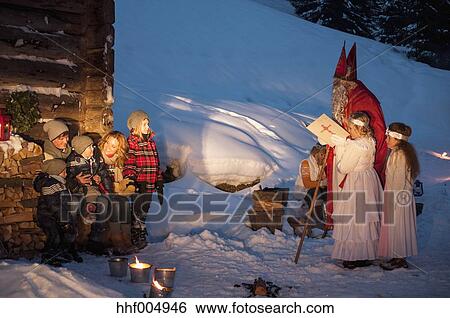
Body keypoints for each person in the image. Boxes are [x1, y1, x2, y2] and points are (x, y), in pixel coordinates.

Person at [326, 43, 387, 228]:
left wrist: (347, 143)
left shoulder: (364, 99)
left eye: (339, 84)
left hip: (357, 164)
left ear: (347, 82)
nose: (336, 88)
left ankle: (357, 245)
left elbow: (375, 133)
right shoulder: (344, 97)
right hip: (345, 154)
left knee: (356, 209)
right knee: (349, 206)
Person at [330, 112, 383, 269]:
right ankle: (365, 253)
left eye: (351, 128)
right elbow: (359, 148)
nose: (349, 130)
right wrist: (346, 143)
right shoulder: (370, 141)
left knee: (354, 217)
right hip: (369, 179)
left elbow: (344, 167)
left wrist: (340, 147)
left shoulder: (355, 145)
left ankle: (353, 256)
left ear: (359, 128)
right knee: (364, 218)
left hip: (357, 182)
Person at [378, 123, 420, 270]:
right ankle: (396, 256)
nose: (386, 139)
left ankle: (400, 258)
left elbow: (399, 181)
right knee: (395, 228)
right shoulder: (397, 152)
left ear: (397, 138)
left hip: (398, 197)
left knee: (399, 227)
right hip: (395, 195)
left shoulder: (400, 155)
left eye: (389, 137)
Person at [123, 110, 164, 249]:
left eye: (148, 123)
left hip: (151, 182)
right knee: (137, 208)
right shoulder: (132, 143)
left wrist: (159, 181)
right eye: (144, 124)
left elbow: (155, 163)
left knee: (145, 208)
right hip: (140, 183)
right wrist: (131, 180)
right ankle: (134, 232)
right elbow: (129, 163)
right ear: (135, 127)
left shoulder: (151, 142)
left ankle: (141, 229)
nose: (147, 127)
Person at [66, 135, 112, 253]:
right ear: (81, 149)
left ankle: (96, 240)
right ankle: (71, 242)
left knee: (102, 203)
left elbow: (103, 173)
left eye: (92, 146)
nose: (93, 149)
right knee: (73, 206)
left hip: (92, 189)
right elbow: (67, 179)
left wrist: (107, 189)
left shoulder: (96, 158)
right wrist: (76, 181)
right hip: (77, 189)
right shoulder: (73, 162)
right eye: (89, 147)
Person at [34, 159, 82, 267]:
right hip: (47, 215)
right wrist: (63, 220)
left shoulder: (61, 182)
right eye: (63, 171)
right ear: (56, 172)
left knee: (70, 230)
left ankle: (66, 251)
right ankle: (49, 255)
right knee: (54, 235)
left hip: (60, 213)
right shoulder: (50, 185)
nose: (66, 173)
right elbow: (54, 205)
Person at [97, 131, 136, 255]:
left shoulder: (118, 160)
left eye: (113, 146)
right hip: (100, 191)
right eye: (107, 143)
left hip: (113, 191)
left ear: (119, 149)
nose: (108, 147)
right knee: (115, 204)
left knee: (124, 202)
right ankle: (116, 239)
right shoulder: (97, 157)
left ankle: (126, 238)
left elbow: (121, 179)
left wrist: (126, 185)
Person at [291, 144, 327, 234]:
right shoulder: (305, 163)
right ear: (316, 153)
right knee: (316, 191)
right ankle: (315, 219)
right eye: (322, 155)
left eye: (325, 155)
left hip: (315, 189)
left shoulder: (322, 164)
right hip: (303, 191)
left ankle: (324, 218)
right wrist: (322, 182)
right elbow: (307, 184)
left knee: (326, 192)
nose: (323, 157)